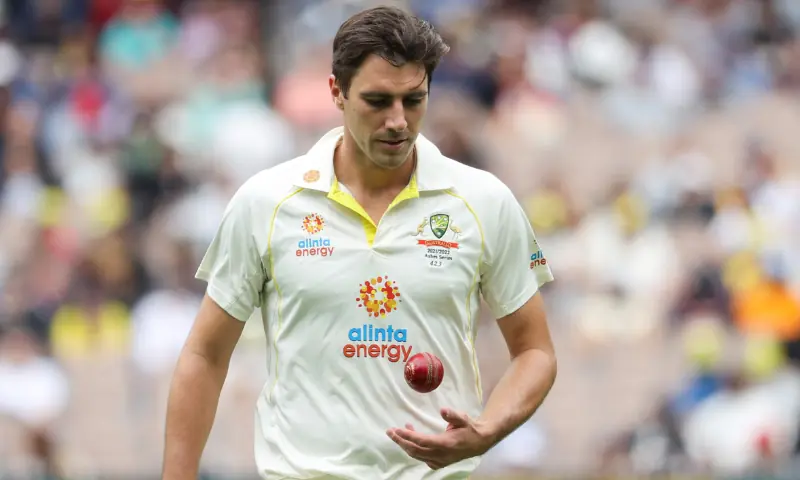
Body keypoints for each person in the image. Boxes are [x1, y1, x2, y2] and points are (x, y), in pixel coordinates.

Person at [162, 6, 557, 480]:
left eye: (414, 100)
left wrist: (488, 429)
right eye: (378, 101)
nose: (398, 121)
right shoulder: (265, 202)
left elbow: (535, 352)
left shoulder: (484, 200)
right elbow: (205, 356)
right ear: (337, 91)